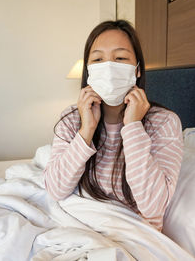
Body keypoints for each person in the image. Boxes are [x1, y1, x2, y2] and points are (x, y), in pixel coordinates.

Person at [43, 20, 183, 231]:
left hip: (132, 235)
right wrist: (86, 131)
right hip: (77, 227)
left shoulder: (163, 122)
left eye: (120, 58)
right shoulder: (72, 118)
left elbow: (154, 206)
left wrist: (133, 127)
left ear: (137, 69)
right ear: (89, 71)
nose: (108, 68)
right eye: (98, 59)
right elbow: (55, 190)